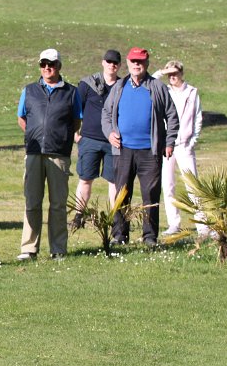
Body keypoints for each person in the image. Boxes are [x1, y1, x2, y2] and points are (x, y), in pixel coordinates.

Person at [101, 47, 179, 246]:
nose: (137, 64)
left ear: (147, 64)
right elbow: (106, 113)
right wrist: (109, 132)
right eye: (133, 61)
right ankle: (120, 235)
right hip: (123, 150)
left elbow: (172, 115)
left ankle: (150, 236)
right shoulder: (119, 86)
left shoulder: (157, 87)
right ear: (128, 63)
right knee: (121, 193)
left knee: (150, 195)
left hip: (150, 151)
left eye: (141, 61)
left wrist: (169, 141)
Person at [16, 49, 83, 261]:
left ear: (59, 66)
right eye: (43, 64)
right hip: (34, 153)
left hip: (59, 154)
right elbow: (22, 118)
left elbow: (76, 121)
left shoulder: (71, 92)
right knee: (32, 202)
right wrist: (33, 135)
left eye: (51, 64)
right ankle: (29, 249)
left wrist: (61, 137)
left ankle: (58, 249)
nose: (47, 68)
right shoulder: (29, 90)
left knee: (58, 205)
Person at [153, 60, 207, 236]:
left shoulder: (192, 92)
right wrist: (162, 71)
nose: (172, 77)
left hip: (185, 145)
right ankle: (173, 223)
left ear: (182, 73)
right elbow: (151, 82)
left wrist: (192, 141)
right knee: (168, 185)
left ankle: (202, 225)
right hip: (167, 146)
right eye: (169, 75)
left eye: (175, 73)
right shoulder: (165, 90)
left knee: (193, 185)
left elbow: (197, 118)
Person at [70, 49, 121, 230]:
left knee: (114, 181)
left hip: (113, 141)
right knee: (85, 178)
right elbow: (75, 109)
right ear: (103, 62)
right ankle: (78, 216)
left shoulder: (122, 86)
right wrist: (76, 134)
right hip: (89, 139)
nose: (111, 65)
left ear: (119, 66)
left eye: (115, 62)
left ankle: (114, 218)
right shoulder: (88, 84)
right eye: (109, 61)